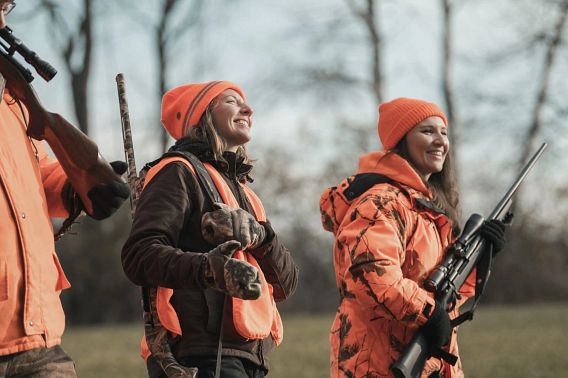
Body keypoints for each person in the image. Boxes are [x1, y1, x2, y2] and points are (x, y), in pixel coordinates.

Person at [122, 81, 299, 378]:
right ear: (201, 116)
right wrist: (209, 269)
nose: (248, 109)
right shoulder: (177, 171)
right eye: (231, 101)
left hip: (249, 359)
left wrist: (262, 236)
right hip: (197, 360)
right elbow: (139, 256)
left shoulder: (246, 192)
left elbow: (287, 283)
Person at [319, 98, 505, 377]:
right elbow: (373, 277)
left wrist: (480, 258)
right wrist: (430, 313)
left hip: (429, 364)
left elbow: (446, 296)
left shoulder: (426, 210)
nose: (440, 140)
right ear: (401, 140)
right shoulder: (381, 203)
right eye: (427, 131)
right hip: (378, 366)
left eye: (444, 132)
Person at [0, 1, 130, 377]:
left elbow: (33, 174)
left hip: (38, 334)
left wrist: (75, 186)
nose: (2, 20)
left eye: (6, 7)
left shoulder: (14, 104)